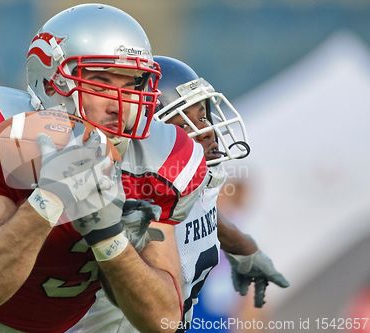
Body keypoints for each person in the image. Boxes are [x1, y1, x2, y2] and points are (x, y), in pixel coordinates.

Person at [0, 5, 207, 333]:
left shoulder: (161, 159)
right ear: (50, 84)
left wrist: (108, 238)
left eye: (132, 82)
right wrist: (49, 199)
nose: (121, 101)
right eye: (102, 81)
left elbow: (163, 321)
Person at [68, 56, 289, 333]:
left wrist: (241, 245)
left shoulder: (185, 188)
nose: (207, 131)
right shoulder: (132, 197)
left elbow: (194, 204)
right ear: (151, 141)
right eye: (185, 125)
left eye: (203, 116)